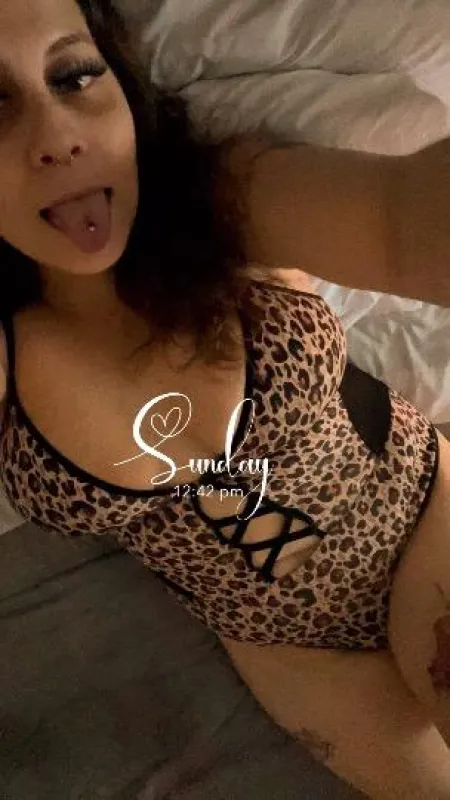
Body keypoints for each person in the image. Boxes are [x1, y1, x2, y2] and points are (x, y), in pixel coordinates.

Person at [0, 0, 449, 796]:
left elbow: (400, 218)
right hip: (284, 643)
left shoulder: (222, 199)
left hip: (418, 516)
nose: (58, 134)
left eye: (74, 76)